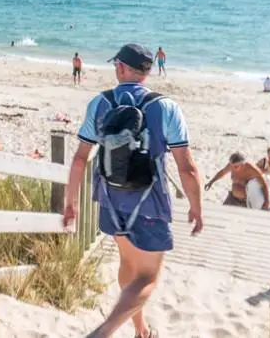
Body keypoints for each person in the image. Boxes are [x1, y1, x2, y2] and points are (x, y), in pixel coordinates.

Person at [64, 43, 203, 338]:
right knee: (148, 277)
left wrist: (70, 202)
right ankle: (103, 332)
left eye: (117, 65)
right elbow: (187, 167)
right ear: (147, 71)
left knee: (128, 264)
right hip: (149, 203)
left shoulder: (100, 103)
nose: (116, 69)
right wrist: (196, 206)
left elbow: (79, 159)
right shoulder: (166, 107)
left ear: (122, 68)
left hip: (111, 199)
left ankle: (141, 329)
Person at [204, 153, 270, 209]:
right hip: (232, 198)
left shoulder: (251, 169)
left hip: (245, 202)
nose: (233, 168)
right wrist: (211, 182)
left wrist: (267, 201)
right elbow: (222, 172)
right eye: (232, 166)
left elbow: (264, 185)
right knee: (222, 215)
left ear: (242, 164)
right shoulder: (231, 165)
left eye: (236, 166)